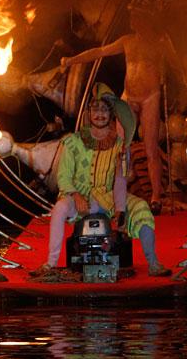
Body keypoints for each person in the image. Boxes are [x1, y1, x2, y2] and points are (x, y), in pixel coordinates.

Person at [60, 0, 187, 214]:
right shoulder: (127, 41)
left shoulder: (160, 42)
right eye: (132, 17)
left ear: (146, 19)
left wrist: (182, 88)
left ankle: (156, 195)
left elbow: (178, 66)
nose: (133, 21)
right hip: (128, 97)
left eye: (137, 17)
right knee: (120, 149)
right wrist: (71, 61)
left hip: (150, 98)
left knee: (150, 148)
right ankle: (118, 195)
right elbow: (99, 52)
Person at [32, 83, 171, 277]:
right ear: (89, 113)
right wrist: (75, 195)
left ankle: (154, 263)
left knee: (142, 208)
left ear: (112, 114)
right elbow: (63, 177)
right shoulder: (73, 141)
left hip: (107, 197)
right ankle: (50, 263)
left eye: (105, 110)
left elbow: (120, 181)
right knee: (59, 209)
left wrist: (121, 209)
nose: (100, 114)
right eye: (96, 109)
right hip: (78, 195)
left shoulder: (120, 147)